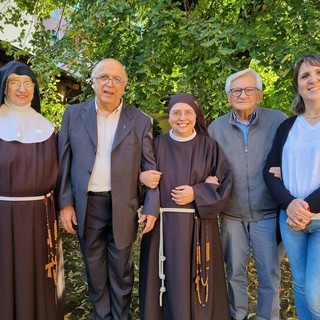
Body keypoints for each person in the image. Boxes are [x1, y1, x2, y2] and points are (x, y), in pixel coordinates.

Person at [57, 58, 160, 320]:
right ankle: (101, 316)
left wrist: (150, 207)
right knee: (94, 268)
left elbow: (151, 169)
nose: (109, 84)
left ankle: (121, 316)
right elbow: (64, 163)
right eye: (103, 77)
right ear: (92, 81)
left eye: (117, 79)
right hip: (87, 205)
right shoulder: (72, 115)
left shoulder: (140, 120)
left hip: (123, 206)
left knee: (121, 269)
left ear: (124, 86)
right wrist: (65, 203)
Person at [139, 93, 232, 320]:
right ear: (168, 116)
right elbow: (140, 179)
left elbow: (225, 184)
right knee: (166, 280)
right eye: (176, 113)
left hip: (199, 226)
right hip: (163, 225)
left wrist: (197, 192)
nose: (183, 118)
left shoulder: (210, 146)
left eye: (188, 112)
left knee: (198, 282)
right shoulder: (156, 145)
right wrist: (142, 177)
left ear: (196, 115)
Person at [208, 68, 287, 320]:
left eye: (249, 89)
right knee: (234, 274)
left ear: (260, 94)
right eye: (236, 90)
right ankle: (237, 316)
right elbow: (207, 165)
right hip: (231, 214)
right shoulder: (216, 128)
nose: (242, 94)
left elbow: (294, 156)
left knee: (269, 276)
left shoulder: (279, 121)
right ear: (228, 96)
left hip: (268, 214)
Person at [0, 60, 64, 319]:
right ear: (4, 87)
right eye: (14, 82)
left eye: (28, 83)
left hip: (40, 218)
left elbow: (61, 178)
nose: (22, 89)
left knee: (37, 273)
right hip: (2, 216)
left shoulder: (47, 129)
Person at [263, 54, 320, 319]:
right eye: (305, 76)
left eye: (317, 72)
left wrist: (305, 206)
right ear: (298, 85)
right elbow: (269, 171)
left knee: (316, 295)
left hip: (317, 217)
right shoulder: (288, 126)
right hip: (291, 220)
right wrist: (289, 204)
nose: (312, 80)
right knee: (299, 285)